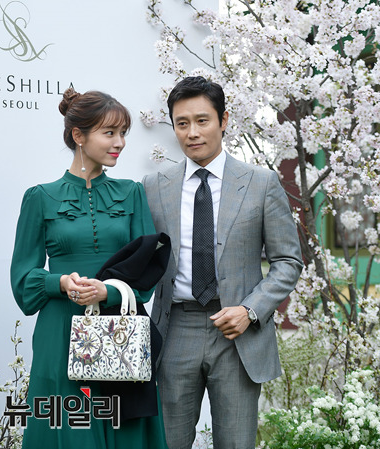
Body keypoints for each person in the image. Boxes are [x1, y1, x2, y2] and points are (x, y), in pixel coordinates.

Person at [143, 76, 303, 449]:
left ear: (224, 120)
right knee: (168, 443)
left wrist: (250, 309)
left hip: (238, 334)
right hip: (175, 329)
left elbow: (287, 261)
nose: (192, 133)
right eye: (182, 123)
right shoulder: (154, 186)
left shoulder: (262, 183)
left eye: (202, 120)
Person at [10, 87, 168, 449]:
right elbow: (23, 282)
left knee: (123, 427)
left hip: (119, 331)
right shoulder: (40, 198)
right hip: (60, 333)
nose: (120, 143)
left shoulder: (131, 193)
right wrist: (60, 282)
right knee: (69, 429)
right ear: (78, 136)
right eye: (109, 133)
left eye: (123, 133)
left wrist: (107, 291)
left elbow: (147, 271)